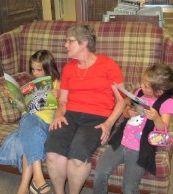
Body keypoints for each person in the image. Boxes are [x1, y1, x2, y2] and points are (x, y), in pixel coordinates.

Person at [44, 24, 126, 194]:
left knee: (78, 156)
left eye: (70, 41)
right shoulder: (68, 68)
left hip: (97, 117)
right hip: (70, 115)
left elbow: (122, 100)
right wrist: (58, 114)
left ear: (84, 43)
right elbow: (63, 100)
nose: (65, 45)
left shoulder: (108, 65)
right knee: (52, 152)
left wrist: (109, 124)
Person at [93, 63, 173, 194]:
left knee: (129, 187)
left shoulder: (167, 102)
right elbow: (125, 113)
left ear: (159, 91)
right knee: (100, 171)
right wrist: (128, 112)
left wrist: (156, 117)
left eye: (146, 86)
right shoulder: (138, 93)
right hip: (121, 142)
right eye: (143, 83)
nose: (141, 86)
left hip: (140, 149)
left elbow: (163, 129)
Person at [0, 50, 60, 194]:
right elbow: (21, 107)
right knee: (30, 122)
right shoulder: (30, 85)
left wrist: (58, 97)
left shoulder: (57, 84)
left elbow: (65, 108)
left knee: (28, 138)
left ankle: (23, 188)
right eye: (33, 69)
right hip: (28, 118)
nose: (35, 73)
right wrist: (13, 96)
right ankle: (38, 178)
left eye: (39, 70)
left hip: (45, 123)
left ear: (48, 68)